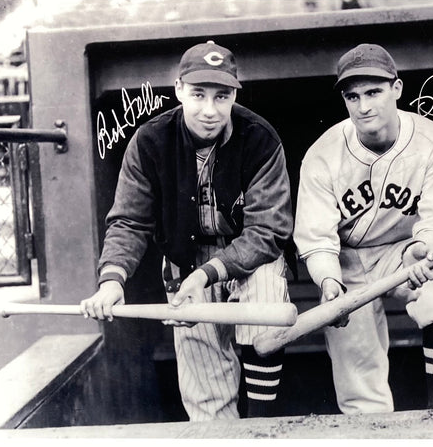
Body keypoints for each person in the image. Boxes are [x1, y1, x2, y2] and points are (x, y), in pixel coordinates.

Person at [80, 41, 293, 421]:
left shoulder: (259, 136)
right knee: (205, 393)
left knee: (265, 303)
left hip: (247, 255)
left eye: (221, 96)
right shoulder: (151, 139)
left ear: (234, 95)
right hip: (186, 258)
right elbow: (130, 220)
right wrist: (112, 280)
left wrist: (207, 275)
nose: (209, 109)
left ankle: (263, 428)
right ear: (178, 89)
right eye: (198, 94)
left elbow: (268, 230)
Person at [293, 43, 433, 414]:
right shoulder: (322, 154)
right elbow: (316, 236)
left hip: (404, 250)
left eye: (374, 92)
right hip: (345, 261)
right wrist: (328, 281)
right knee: (359, 385)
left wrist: (425, 248)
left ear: (397, 89)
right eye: (353, 96)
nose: (363, 106)